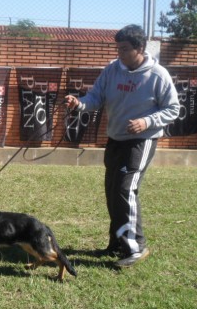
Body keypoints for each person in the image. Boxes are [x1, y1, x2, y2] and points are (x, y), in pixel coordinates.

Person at [65, 24, 179, 268]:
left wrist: (146, 121)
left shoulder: (158, 75)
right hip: (115, 138)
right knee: (112, 191)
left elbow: (173, 109)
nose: (119, 54)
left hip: (141, 141)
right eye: (118, 48)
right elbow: (96, 97)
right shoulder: (112, 69)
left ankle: (136, 247)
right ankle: (118, 241)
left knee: (125, 190)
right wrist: (79, 104)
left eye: (124, 49)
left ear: (139, 48)